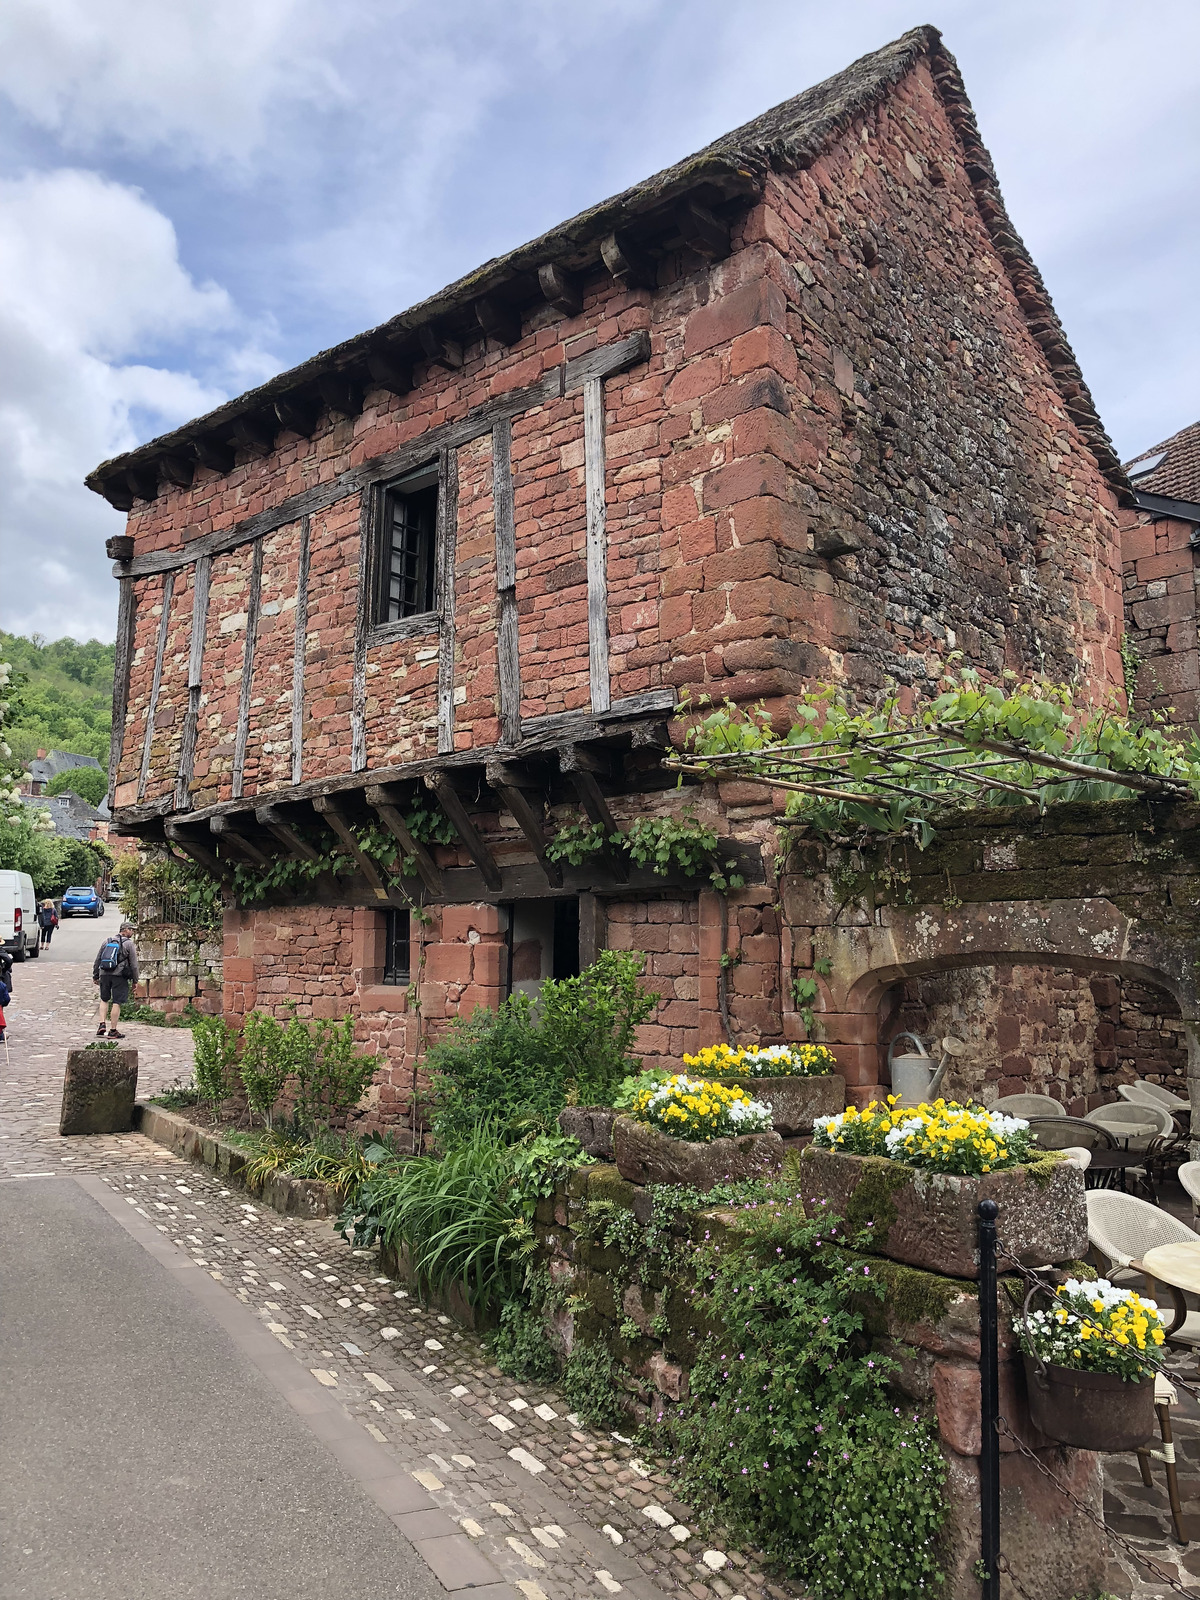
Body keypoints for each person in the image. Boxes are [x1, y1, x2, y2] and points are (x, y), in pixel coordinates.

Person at [93, 921, 139, 1039]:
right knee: (116, 1002)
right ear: (125, 930)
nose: (132, 932)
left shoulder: (107, 941)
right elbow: (134, 965)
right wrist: (135, 981)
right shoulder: (128, 944)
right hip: (119, 975)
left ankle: (102, 1024)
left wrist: (96, 975)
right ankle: (113, 1030)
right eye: (131, 929)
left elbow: (98, 959)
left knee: (104, 999)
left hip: (104, 974)